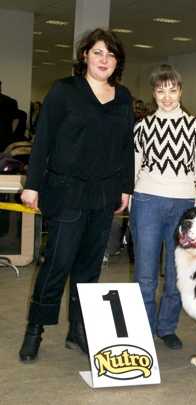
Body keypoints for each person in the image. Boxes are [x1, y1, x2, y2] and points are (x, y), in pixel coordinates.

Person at [18, 28, 134, 363]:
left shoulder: (123, 97)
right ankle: (34, 331)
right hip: (67, 190)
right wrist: (33, 183)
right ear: (85, 55)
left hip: (105, 193)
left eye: (110, 54)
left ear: (117, 62)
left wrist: (126, 187)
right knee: (57, 263)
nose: (104, 59)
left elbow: (127, 146)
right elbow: (43, 140)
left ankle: (78, 330)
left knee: (88, 268)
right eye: (98, 52)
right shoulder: (63, 91)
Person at [131, 64, 196, 350]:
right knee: (145, 274)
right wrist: (129, 200)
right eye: (160, 90)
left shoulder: (195, 126)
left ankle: (166, 327)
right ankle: (144, 329)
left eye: (172, 90)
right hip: (147, 202)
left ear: (180, 91)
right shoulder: (142, 127)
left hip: (183, 206)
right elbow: (134, 169)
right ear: (153, 93)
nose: (166, 97)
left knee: (177, 274)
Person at [0, 80, 18, 152]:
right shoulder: (11, 101)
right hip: (6, 138)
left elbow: (16, 119)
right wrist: (10, 133)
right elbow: (16, 120)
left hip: (5, 137)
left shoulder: (10, 101)